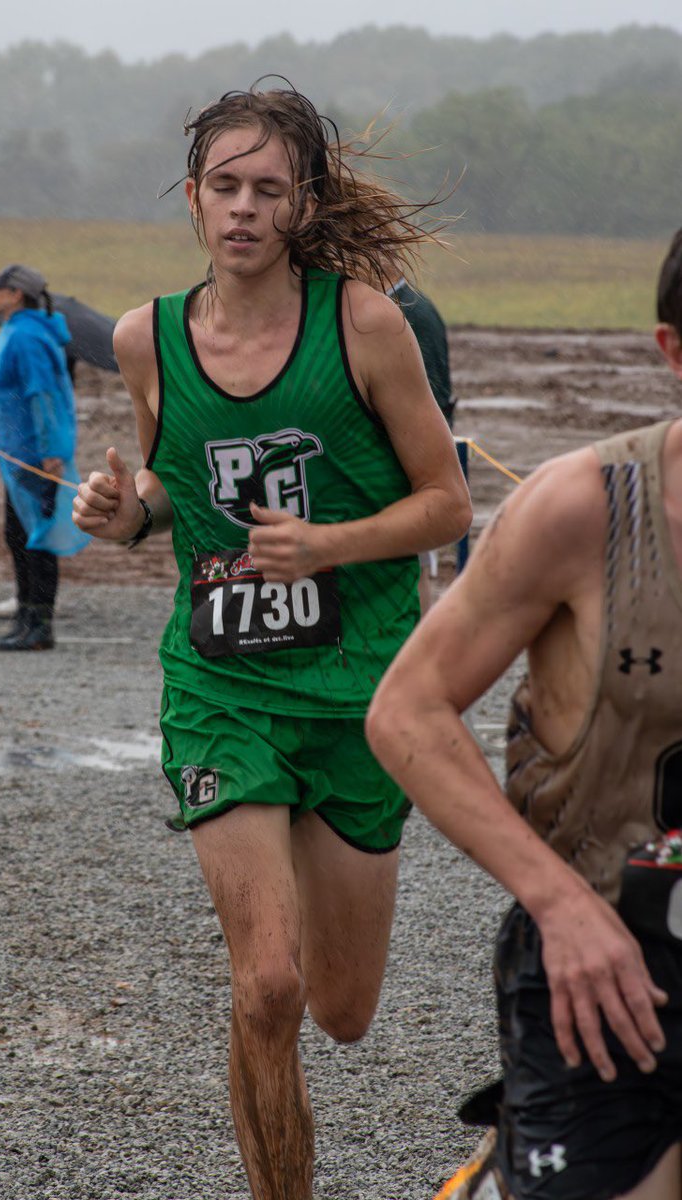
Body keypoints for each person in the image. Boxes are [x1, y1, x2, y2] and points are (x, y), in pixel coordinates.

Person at [72, 83, 471, 1200]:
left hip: (359, 687)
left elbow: (448, 503)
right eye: (225, 186)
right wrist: (129, 513)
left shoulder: (366, 326)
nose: (243, 208)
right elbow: (174, 486)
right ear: (193, 198)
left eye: (268, 189)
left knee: (340, 1010)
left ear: (303, 205)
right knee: (269, 988)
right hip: (223, 683)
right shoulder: (145, 337)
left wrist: (327, 545)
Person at [366, 227, 682, 1200]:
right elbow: (407, 712)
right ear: (674, 351)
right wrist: (559, 904)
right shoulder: (585, 508)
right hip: (609, 968)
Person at [0, 264, 88, 649]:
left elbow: (43, 394)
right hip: (16, 452)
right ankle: (24, 617)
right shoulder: (17, 330)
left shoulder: (27, 335)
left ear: (15, 294)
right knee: (18, 534)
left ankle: (40, 626)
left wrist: (52, 451)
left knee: (38, 537)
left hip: (33, 453)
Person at [381, 261, 456, 612]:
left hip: (415, 460)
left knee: (417, 564)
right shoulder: (400, 307)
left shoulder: (411, 312)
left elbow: (433, 395)